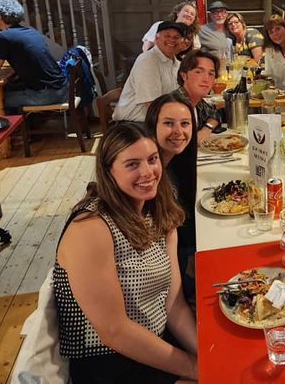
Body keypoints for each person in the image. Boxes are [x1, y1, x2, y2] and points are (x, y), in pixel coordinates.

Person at [54, 122, 198, 383]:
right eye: (132, 164)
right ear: (109, 172)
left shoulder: (157, 211)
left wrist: (209, 356)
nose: (148, 172)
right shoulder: (91, 228)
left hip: (155, 343)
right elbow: (114, 331)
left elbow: (174, 305)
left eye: (152, 159)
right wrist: (196, 368)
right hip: (109, 362)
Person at [146, 92, 198, 305]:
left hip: (176, 252)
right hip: (158, 276)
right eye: (168, 123)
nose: (178, 132)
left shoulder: (174, 163)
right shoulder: (150, 175)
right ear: (152, 126)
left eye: (185, 123)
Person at [0, 0, 66, 112]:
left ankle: (13, 129)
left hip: (48, 94)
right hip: (61, 88)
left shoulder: (4, 38)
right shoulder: (30, 31)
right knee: (10, 88)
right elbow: (15, 48)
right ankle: (26, 126)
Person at [112, 21, 186, 122]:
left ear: (182, 42)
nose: (171, 40)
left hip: (158, 118)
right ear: (156, 38)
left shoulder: (176, 63)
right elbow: (152, 105)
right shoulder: (147, 61)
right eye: (167, 35)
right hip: (134, 124)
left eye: (176, 37)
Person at [176, 50, 221, 144]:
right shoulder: (175, 105)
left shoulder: (197, 101)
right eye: (198, 72)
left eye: (211, 74)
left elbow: (215, 114)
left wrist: (207, 128)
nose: (206, 79)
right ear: (184, 75)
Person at [263, 15, 285, 103]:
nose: (275, 34)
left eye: (278, 29)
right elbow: (269, 74)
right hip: (278, 98)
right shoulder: (270, 51)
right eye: (271, 32)